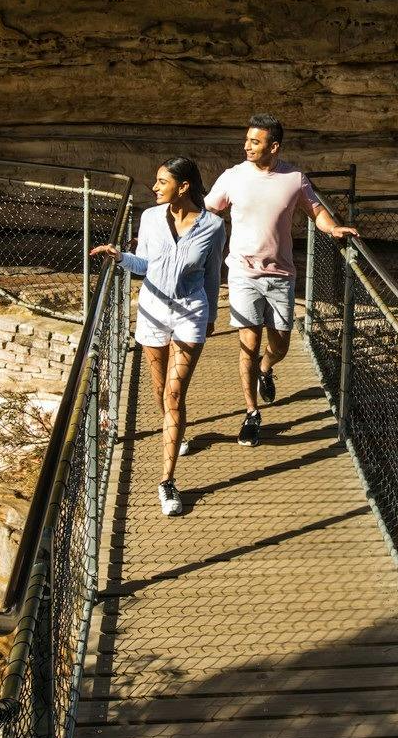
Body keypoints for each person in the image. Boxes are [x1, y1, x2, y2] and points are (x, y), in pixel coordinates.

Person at [203, 113, 357, 445]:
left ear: (274, 146)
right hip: (243, 274)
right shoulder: (232, 177)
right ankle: (251, 413)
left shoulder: (294, 179)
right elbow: (207, 212)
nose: (247, 146)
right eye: (246, 140)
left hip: (281, 276)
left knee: (280, 346)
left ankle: (265, 368)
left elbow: (316, 210)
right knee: (248, 344)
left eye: (254, 142)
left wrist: (332, 228)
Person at [90, 157, 224, 516]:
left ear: (183, 186)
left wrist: (210, 315)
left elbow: (212, 276)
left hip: (190, 312)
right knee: (159, 390)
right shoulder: (149, 217)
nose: (155, 186)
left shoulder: (213, 225)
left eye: (162, 181)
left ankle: (167, 481)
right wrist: (120, 256)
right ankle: (173, 428)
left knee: (174, 392)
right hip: (152, 310)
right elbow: (145, 265)